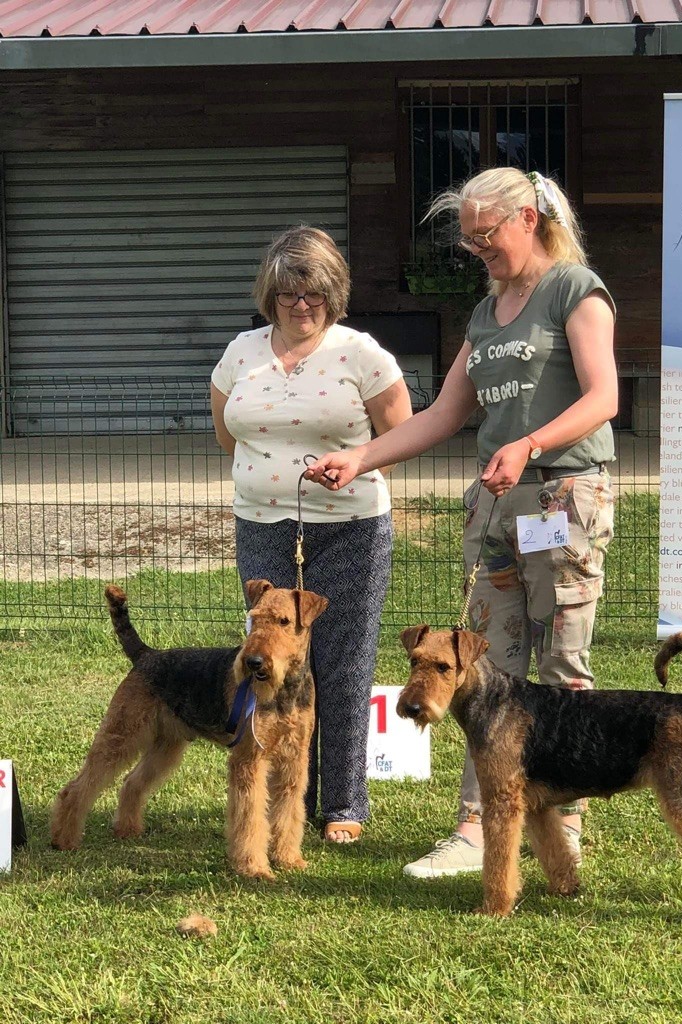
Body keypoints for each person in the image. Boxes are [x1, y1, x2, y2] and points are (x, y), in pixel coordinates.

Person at [305, 168, 617, 875]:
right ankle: (477, 827)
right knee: (484, 669)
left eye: (488, 235)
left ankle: (561, 825)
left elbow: (604, 397)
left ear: (528, 219)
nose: (479, 251)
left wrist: (531, 443)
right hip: (497, 505)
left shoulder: (576, 290)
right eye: (470, 241)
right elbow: (445, 416)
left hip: (561, 497)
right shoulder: (485, 315)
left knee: (562, 665)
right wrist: (361, 458)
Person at [211, 225, 412, 844]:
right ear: (268, 296)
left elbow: (397, 437)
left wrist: (352, 463)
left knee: (343, 663)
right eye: (288, 294)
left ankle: (343, 803)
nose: (302, 304)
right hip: (262, 524)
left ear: (334, 295)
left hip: (349, 529)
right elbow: (228, 434)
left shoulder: (363, 354)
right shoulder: (241, 353)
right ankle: (275, 793)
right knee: (268, 663)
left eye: (315, 293)